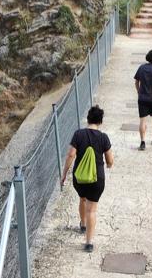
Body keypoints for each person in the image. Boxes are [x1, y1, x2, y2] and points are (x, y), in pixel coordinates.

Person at [60, 105, 114, 253]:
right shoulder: (103, 137)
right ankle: (89, 243)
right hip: (97, 180)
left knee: (82, 199)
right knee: (92, 210)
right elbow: (110, 160)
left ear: (88, 119)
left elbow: (71, 154)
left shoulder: (78, 134)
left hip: (80, 179)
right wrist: (108, 165)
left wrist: (64, 174)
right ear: (100, 121)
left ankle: (83, 224)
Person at [134, 48, 152, 151]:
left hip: (142, 99)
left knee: (142, 120)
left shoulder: (141, 68)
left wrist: (139, 92)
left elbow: (136, 82)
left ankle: (142, 142)